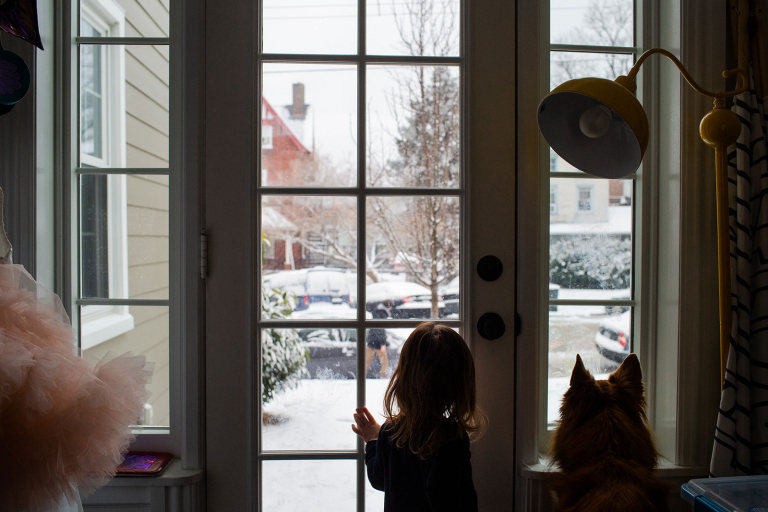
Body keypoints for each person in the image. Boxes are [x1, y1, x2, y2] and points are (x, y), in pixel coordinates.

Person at [351, 323, 487, 512]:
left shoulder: (390, 431)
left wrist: (373, 440)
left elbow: (379, 479)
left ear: (404, 377)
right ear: (460, 384)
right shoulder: (451, 437)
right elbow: (444, 498)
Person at [365, 299, 392, 378]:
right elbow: (380, 329)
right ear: (388, 306)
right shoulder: (382, 314)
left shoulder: (377, 312)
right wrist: (382, 343)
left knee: (367, 361)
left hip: (371, 340)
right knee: (384, 361)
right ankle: (384, 376)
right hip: (378, 342)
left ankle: (361, 375)